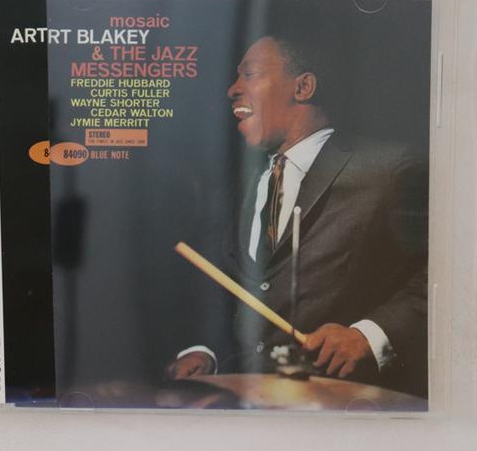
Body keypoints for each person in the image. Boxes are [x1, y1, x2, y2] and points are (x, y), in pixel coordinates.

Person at [167, 33, 428, 397]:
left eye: (249, 74)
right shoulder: (237, 183)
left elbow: (446, 277)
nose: (232, 89)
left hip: (345, 406)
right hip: (243, 404)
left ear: (303, 87)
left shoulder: (388, 169)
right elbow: (232, 294)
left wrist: (370, 337)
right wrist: (205, 350)